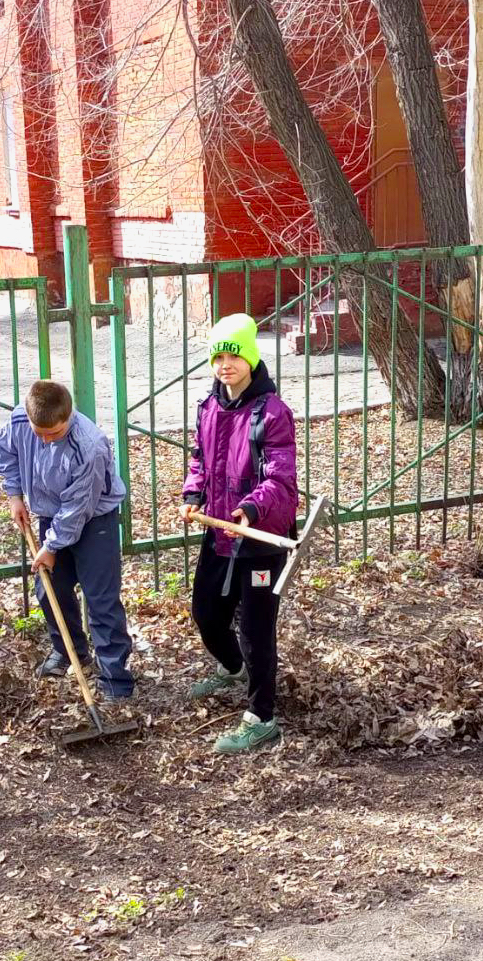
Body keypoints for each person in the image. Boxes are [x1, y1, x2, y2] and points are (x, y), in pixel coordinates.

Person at [179, 313, 298, 753]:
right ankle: (232, 668)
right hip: (221, 534)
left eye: (233, 354)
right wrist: (194, 495)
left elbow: (281, 478)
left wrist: (251, 507)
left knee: (255, 628)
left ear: (250, 357)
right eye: (217, 355)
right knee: (206, 615)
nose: (224, 363)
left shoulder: (271, 412)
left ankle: (261, 716)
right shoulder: (209, 408)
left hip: (261, 539)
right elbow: (200, 461)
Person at [0, 379, 134, 699]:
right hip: (50, 516)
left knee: (101, 599)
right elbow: (8, 454)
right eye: (38, 432)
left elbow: (78, 507)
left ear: (68, 417)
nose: (45, 439)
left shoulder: (90, 446)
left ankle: (115, 677)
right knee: (49, 588)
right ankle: (70, 650)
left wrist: (51, 546)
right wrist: (14, 494)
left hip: (94, 520)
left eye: (53, 433)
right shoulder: (20, 421)